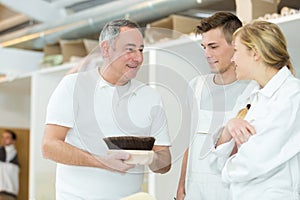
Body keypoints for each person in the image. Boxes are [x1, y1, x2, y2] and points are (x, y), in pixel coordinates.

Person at [42, 19, 171, 199]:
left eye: (141, 50)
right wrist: (102, 162)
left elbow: (165, 162)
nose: (138, 57)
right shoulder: (72, 86)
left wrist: (151, 158)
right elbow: (49, 146)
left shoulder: (150, 97)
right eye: (130, 49)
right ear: (106, 49)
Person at [212, 20, 300, 200]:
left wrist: (226, 168)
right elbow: (216, 160)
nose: (232, 58)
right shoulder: (253, 96)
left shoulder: (292, 95)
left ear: (255, 53)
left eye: (236, 51)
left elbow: (254, 160)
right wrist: (229, 127)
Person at [176, 11, 254, 200]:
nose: (207, 55)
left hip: (232, 192)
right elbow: (190, 142)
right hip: (195, 192)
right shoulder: (196, 86)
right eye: (204, 47)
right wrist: (181, 188)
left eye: (213, 47)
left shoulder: (253, 90)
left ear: (236, 46)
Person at [0, 130, 20, 200]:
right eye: (3, 137)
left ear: (13, 141)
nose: (4, 140)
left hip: (7, 193)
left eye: (7, 137)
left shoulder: (10, 152)